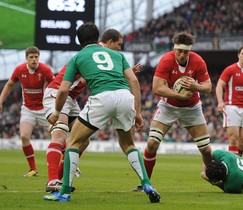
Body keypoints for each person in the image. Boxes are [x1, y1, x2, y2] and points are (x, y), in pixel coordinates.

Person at [43, 22, 160, 203]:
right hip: (124, 96)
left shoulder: (78, 57)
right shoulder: (116, 55)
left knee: (73, 141)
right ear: (99, 37)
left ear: (79, 40)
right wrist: (137, 112)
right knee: (129, 146)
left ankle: (64, 191)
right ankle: (147, 183)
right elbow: (134, 82)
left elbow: (64, 89)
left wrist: (57, 111)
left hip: (102, 97)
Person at [135, 31, 213, 191]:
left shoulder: (198, 61)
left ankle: (214, 177)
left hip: (192, 108)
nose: (182, 55)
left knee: (206, 149)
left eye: (186, 52)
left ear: (189, 51)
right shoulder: (166, 60)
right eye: (179, 51)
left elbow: (208, 87)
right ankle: (145, 184)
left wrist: (195, 87)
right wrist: (179, 95)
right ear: (174, 49)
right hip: (168, 106)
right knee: (152, 143)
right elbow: (157, 88)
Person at [0, 46, 54, 177]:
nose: (34, 60)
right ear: (26, 58)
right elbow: (9, 84)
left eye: (36, 57)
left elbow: (55, 85)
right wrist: (0, 101)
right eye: (31, 57)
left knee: (58, 135)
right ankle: (33, 169)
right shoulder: (20, 69)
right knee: (24, 136)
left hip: (44, 109)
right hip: (28, 109)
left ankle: (68, 164)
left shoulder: (45, 70)